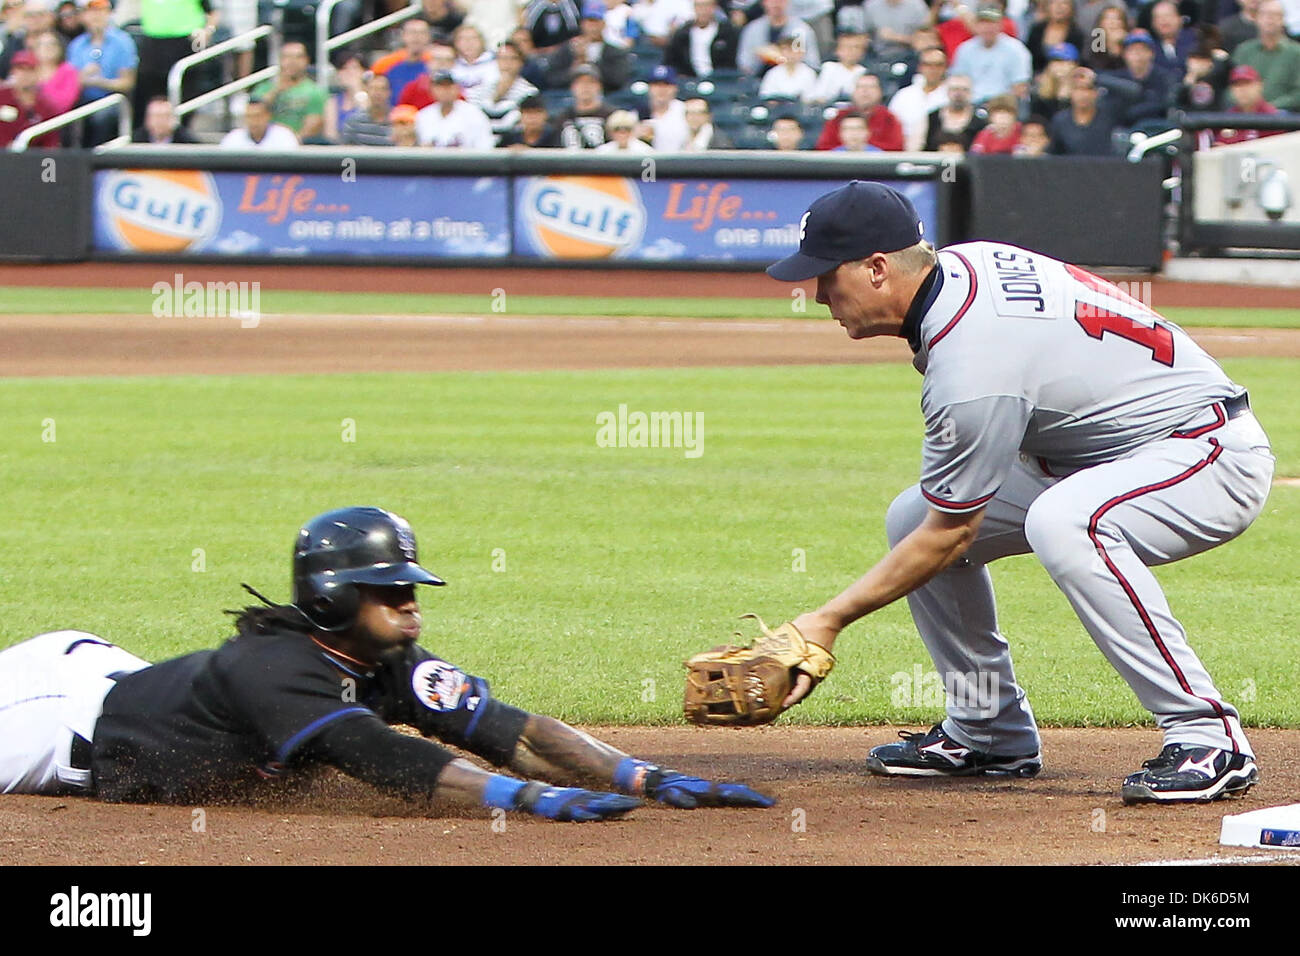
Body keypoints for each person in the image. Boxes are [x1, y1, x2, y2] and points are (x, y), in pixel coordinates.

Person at [763, 181, 1273, 804]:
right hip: (1108, 451)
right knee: (913, 515)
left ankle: (1208, 736)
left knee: (1064, 522)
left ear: (876, 269)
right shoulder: (963, 265)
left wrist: (826, 621)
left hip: (1205, 455)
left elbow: (953, 534)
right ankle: (989, 728)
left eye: (826, 276)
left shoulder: (972, 365)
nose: (817, 295)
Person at [0, 508, 773, 819]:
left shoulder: (390, 657)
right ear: (334, 597)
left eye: (410, 587)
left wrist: (641, 775)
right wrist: (531, 800)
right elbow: (381, 756)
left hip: (110, 679)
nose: (410, 603)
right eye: (389, 590)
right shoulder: (275, 668)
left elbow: (509, 728)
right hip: (47, 717)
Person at [131, 0, 217, 124]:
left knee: (185, 96)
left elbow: (212, 12)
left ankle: (180, 131)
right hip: (153, 44)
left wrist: (208, 31)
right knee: (148, 96)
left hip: (185, 42)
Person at [65, 0, 135, 146]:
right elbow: (69, 80)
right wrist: (83, 76)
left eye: (100, 11)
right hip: (81, 98)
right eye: (90, 12)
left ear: (108, 13)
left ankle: (98, 160)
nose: (95, 16)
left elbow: (127, 83)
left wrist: (100, 82)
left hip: (111, 99)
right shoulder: (76, 45)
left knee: (102, 116)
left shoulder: (122, 42)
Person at [951, 5, 1032, 103]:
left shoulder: (1016, 49)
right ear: (976, 25)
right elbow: (958, 80)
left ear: (1001, 25)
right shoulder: (965, 49)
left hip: (1004, 104)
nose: (987, 28)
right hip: (971, 103)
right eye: (983, 23)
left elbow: (1020, 86)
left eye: (992, 23)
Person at [545, 0, 631, 89]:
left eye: (596, 22)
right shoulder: (567, 49)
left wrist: (588, 61)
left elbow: (618, 80)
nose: (593, 27)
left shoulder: (615, 52)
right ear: (582, 24)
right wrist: (576, 64)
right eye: (590, 21)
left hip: (606, 96)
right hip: (568, 96)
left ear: (603, 24)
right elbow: (552, 80)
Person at [1232, 0, 1300, 111]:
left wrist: (1269, 109)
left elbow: (1298, 94)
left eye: (1275, 15)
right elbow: (1230, 88)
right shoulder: (1243, 50)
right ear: (1256, 19)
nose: (1270, 20)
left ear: (1283, 20)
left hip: (1283, 115)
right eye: (1265, 15)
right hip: (1245, 114)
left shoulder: (1296, 53)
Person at [252, 41, 325, 142]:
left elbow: (313, 124)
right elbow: (253, 114)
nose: (292, 62)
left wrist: (291, 143)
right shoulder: (263, 88)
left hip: (298, 146)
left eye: (298, 57)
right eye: (287, 57)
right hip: (264, 144)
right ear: (280, 60)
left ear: (307, 60)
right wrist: (276, 90)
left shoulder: (315, 91)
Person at [816, 71, 904, 148]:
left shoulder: (889, 119)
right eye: (860, 87)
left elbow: (896, 147)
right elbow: (824, 146)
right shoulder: (839, 117)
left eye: (871, 87)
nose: (865, 91)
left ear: (880, 92)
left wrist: (864, 147)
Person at [1103, 29, 1173, 124]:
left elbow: (1165, 104)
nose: (1138, 55)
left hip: (1158, 130)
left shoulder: (1164, 78)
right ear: (1125, 55)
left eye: (1142, 50)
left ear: (1151, 53)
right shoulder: (1117, 78)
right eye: (1133, 50)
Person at [471, 39, 538, 135]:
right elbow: (473, 120)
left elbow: (518, 126)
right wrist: (497, 95)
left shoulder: (530, 93)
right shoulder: (478, 90)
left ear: (521, 62)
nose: (507, 63)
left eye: (512, 58)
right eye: (502, 58)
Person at [889, 44, 949, 149]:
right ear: (920, 67)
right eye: (928, 65)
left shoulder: (950, 95)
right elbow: (891, 126)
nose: (933, 69)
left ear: (945, 67)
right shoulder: (904, 95)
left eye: (938, 65)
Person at [737, 0, 821, 74]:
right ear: (764, 3)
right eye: (772, 0)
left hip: (792, 82)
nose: (776, 4)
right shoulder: (752, 29)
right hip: (757, 81)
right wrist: (760, 56)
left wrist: (783, 57)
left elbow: (812, 64)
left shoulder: (801, 29)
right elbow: (744, 63)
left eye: (780, 0)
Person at [415, 70, 495, 147]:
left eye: (449, 86)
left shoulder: (474, 115)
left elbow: (485, 149)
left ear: (458, 89)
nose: (445, 91)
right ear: (432, 90)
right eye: (440, 86)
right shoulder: (423, 116)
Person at [1048, 64, 1117, 153]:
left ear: (1096, 93)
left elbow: (1134, 91)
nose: (1083, 95)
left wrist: (1097, 78)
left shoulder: (1109, 114)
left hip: (1106, 165)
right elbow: (1054, 152)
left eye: (1087, 89)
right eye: (1077, 89)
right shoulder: (1060, 120)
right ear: (1071, 93)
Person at [663, 0, 740, 77]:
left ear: (715, 7)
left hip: (720, 80)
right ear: (694, 8)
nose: (703, 10)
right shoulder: (682, 34)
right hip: (690, 80)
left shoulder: (728, 33)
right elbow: (671, 61)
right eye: (699, 6)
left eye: (707, 6)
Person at [1214, 63, 1284, 143]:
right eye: (1237, 85)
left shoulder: (1272, 117)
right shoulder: (1227, 118)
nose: (1242, 90)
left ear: (1259, 86)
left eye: (1247, 84)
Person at [0, 48, 57, 146]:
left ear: (38, 73)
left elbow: (50, 143)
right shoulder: (2, 97)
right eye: (20, 69)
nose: (24, 75)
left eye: (30, 70)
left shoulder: (46, 106)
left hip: (33, 158)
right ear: (13, 72)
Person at [374, 18, 435, 107]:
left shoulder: (434, 64)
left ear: (428, 37)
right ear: (403, 36)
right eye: (412, 32)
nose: (416, 37)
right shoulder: (386, 64)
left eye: (422, 33)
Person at [923, 70, 986, 149]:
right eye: (955, 89)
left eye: (964, 90)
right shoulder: (932, 117)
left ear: (971, 92)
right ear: (947, 91)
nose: (958, 94)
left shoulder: (980, 120)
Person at [556, 62, 614, 146]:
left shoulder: (612, 116)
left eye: (590, 82)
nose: (585, 87)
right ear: (572, 87)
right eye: (580, 82)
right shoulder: (562, 118)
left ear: (599, 86)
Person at [1024, 0, 1085, 73]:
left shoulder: (1077, 34)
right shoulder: (1037, 30)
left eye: (1064, 3)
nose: (1059, 7)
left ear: (1071, 8)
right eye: (1054, 3)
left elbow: (1080, 61)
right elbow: (1029, 54)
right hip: (1036, 75)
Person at [861, 0, 930, 63]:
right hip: (876, 55)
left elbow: (925, 40)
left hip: (910, 55)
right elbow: (863, 35)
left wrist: (897, 37)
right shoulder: (870, 6)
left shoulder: (917, 5)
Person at [757, 30, 819, 99]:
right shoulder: (772, 73)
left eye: (795, 50)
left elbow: (812, 97)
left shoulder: (809, 73)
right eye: (788, 50)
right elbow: (765, 96)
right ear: (781, 52)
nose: (792, 54)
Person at [32, 26, 79, 115]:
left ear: (60, 48)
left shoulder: (68, 71)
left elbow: (63, 105)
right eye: (42, 44)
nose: (48, 48)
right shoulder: (29, 70)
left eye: (52, 44)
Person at [810, 29, 866, 103]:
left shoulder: (864, 72)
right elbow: (819, 95)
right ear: (837, 50)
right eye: (847, 47)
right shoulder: (829, 67)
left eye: (856, 47)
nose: (851, 51)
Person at [219, 97, 300, 148]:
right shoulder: (233, 137)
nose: (253, 121)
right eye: (249, 116)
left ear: (268, 116)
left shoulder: (284, 136)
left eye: (257, 116)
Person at [341, 71, 396, 145]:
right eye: (374, 88)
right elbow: (346, 150)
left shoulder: (397, 121)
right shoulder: (354, 122)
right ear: (367, 91)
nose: (378, 93)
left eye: (382, 89)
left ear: (389, 92)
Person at [323, 51, 366, 144]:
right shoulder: (332, 103)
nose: (349, 72)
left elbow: (367, 119)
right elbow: (330, 135)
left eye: (354, 68)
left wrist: (356, 89)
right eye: (344, 68)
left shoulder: (370, 99)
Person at [1029, 41, 1078, 118]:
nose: (1058, 66)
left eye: (1064, 61)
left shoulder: (1081, 89)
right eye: (1055, 61)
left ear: (1074, 64)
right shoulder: (1038, 90)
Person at [1147, 0, 1197, 75]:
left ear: (1180, 19)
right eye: (1158, 17)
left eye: (1168, 15)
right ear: (1153, 23)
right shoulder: (1150, 48)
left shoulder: (1196, 40)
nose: (1163, 20)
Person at [450, 22, 497, 99]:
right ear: (455, 43)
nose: (468, 42)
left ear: (482, 41)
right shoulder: (451, 64)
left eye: (473, 38)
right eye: (463, 38)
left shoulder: (495, 63)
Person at [497, 91, 562, 145]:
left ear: (545, 115)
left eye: (537, 112)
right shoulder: (510, 138)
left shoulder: (555, 136)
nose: (533, 118)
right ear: (521, 115)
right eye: (528, 113)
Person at [1083, 3, 1130, 71]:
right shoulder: (1094, 42)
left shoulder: (1130, 42)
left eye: (1117, 19)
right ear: (1100, 23)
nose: (1112, 22)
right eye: (1108, 18)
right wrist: (1111, 44)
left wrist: (1117, 47)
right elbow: (1097, 68)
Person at [131, 93, 196, 141]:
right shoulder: (134, 141)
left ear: (174, 119)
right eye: (156, 116)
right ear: (147, 119)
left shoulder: (187, 142)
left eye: (165, 116)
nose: (160, 121)